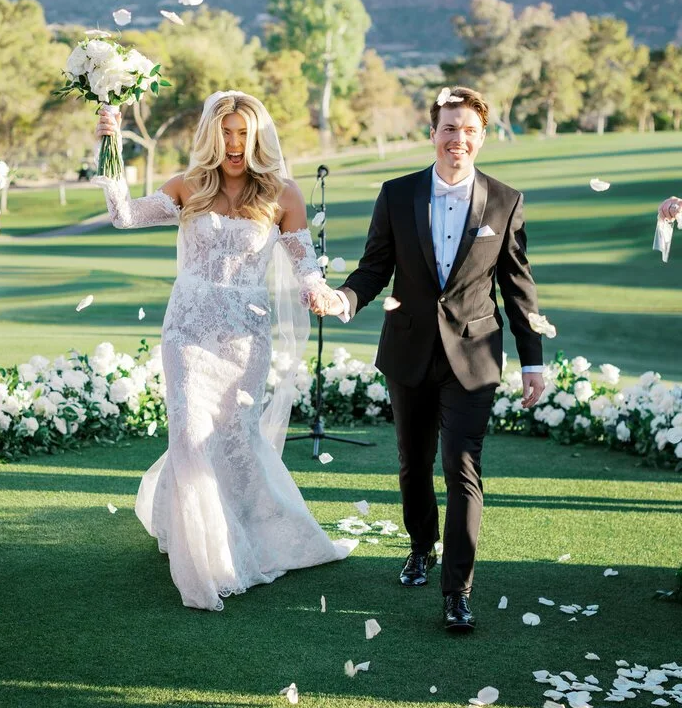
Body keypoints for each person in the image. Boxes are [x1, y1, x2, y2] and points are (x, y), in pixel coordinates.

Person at [95, 91, 356, 611]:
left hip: (245, 334)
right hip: (189, 328)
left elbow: (305, 266)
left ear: (258, 138)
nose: (235, 143)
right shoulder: (188, 186)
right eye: (227, 132)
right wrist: (111, 144)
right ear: (211, 135)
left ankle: (250, 526)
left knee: (234, 436)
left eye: (244, 133)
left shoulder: (283, 193)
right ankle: (206, 561)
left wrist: (319, 291)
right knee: (191, 432)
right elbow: (123, 215)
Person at [317, 86, 545, 634]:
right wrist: (343, 298)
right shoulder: (396, 195)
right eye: (449, 128)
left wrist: (532, 361)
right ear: (432, 133)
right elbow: (375, 269)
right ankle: (422, 546)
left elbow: (518, 288)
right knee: (412, 464)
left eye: (468, 130)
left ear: (482, 137)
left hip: (475, 354)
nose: (457, 139)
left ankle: (457, 591)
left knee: (461, 469)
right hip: (409, 349)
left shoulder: (506, 201)